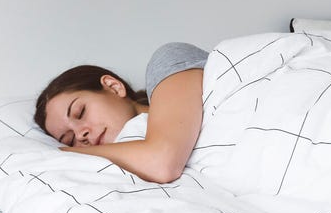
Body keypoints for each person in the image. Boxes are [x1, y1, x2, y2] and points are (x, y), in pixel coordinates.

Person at [34, 42, 209, 183]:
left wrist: (64, 151)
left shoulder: (169, 59)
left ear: (114, 87)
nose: (80, 135)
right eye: (70, 139)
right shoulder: (120, 175)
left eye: (80, 113)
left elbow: (162, 162)